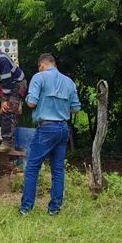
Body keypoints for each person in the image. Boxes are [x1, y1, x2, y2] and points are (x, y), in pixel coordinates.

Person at [20, 53, 81, 216]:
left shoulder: (39, 77)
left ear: (41, 65)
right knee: (58, 170)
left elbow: (31, 103)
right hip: (63, 129)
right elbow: (76, 108)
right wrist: (59, 108)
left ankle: (26, 208)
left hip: (46, 128)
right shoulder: (69, 82)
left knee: (32, 168)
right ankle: (54, 209)